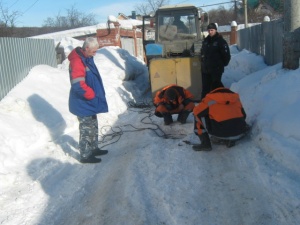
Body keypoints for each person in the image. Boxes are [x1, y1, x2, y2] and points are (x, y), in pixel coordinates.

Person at [68, 37, 108, 163]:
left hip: (90, 101)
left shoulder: (87, 58)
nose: (95, 54)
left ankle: (94, 148)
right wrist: (91, 95)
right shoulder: (77, 62)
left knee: (93, 125)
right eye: (94, 51)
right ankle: (85, 155)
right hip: (83, 102)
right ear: (86, 49)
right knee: (86, 129)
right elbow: (78, 86)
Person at [193, 81, 249, 151]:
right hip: (240, 131)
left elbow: (196, 112)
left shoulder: (210, 98)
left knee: (197, 117)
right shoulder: (235, 97)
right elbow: (244, 115)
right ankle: (230, 139)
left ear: (212, 90)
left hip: (221, 133)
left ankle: (205, 144)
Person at [200, 23, 231, 99]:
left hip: (216, 70)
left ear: (215, 30)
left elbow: (226, 55)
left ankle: (217, 105)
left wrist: (220, 65)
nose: (210, 32)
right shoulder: (206, 41)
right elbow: (202, 53)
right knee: (205, 89)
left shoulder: (220, 41)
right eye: (209, 30)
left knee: (215, 89)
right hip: (205, 70)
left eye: (212, 30)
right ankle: (204, 106)